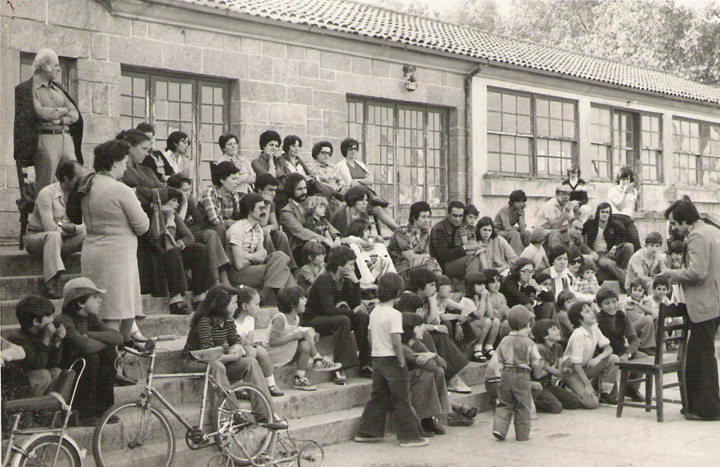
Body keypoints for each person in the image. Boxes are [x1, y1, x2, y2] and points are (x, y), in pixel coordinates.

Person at [67, 139, 149, 343]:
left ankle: (116, 356)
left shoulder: (87, 185)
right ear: (114, 163)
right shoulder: (121, 190)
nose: (126, 166)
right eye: (123, 162)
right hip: (118, 256)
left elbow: (74, 216)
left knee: (106, 307)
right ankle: (112, 361)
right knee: (116, 310)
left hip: (92, 251)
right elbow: (143, 226)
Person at [656, 199, 720, 421]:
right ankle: (702, 407)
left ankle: (707, 409)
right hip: (713, 301)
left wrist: (670, 274)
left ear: (686, 221)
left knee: (701, 357)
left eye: (674, 223)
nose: (673, 228)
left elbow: (697, 273)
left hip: (704, 304)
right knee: (702, 356)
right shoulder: (711, 231)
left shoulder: (696, 236)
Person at [119, 129, 193, 315]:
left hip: (156, 218)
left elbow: (169, 191)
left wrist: (147, 193)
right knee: (166, 244)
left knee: (179, 242)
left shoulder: (145, 170)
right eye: (144, 148)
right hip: (138, 222)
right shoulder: (122, 171)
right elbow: (132, 196)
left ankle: (185, 295)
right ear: (130, 148)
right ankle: (176, 297)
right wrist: (155, 196)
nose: (147, 153)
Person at [183, 285, 280, 425]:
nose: (236, 306)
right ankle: (230, 413)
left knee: (250, 363)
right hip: (194, 361)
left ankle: (266, 412)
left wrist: (237, 349)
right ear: (222, 304)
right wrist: (233, 356)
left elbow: (235, 342)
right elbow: (207, 354)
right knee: (216, 366)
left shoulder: (228, 320)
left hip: (219, 359)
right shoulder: (204, 321)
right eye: (234, 303)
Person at [354, 273, 428, 447]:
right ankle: (409, 437)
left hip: (377, 359)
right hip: (392, 360)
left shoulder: (375, 312)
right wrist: (401, 360)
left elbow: (370, 336)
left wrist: (376, 352)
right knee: (401, 398)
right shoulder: (395, 314)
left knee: (378, 396)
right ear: (398, 292)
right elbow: (396, 341)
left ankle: (367, 432)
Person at [14, 48, 83, 192]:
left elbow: (74, 113)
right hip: (45, 140)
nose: (59, 69)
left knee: (75, 181)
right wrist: (62, 111)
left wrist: (62, 120)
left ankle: (68, 214)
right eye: (56, 65)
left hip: (66, 139)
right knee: (47, 186)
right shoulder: (26, 89)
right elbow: (39, 112)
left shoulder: (58, 89)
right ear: (45, 66)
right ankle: (43, 214)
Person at [56, 277, 122, 425]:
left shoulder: (91, 319)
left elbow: (118, 337)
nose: (100, 301)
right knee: (91, 357)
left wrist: (90, 335)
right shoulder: (64, 320)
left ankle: (103, 409)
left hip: (88, 366)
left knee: (110, 354)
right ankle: (83, 412)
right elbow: (84, 347)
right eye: (95, 297)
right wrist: (100, 342)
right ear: (79, 302)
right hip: (69, 369)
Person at [303, 246, 371, 385]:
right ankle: (339, 367)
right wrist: (352, 312)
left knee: (363, 317)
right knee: (344, 319)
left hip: (330, 319)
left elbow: (355, 304)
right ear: (341, 266)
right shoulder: (324, 279)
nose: (353, 268)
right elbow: (329, 310)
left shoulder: (343, 280)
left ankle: (365, 363)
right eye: (351, 265)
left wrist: (356, 283)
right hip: (313, 320)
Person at [399, 268, 471, 393]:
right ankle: (446, 378)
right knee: (436, 334)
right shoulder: (408, 298)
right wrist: (435, 328)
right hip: (406, 338)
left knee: (442, 331)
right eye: (431, 285)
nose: (435, 288)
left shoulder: (426, 298)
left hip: (419, 333)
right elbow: (409, 325)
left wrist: (432, 300)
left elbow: (434, 320)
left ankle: (447, 377)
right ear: (420, 284)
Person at [24, 160, 87, 298]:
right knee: (53, 236)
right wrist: (69, 228)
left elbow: (85, 225)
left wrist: (69, 227)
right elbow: (49, 227)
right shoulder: (46, 193)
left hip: (63, 240)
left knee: (90, 234)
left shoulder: (80, 195)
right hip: (37, 239)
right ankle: (51, 283)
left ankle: (90, 279)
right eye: (79, 179)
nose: (83, 182)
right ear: (66, 178)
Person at [268, 285, 341, 392]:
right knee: (303, 333)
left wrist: (310, 333)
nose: (306, 300)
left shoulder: (296, 318)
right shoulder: (280, 318)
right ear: (292, 303)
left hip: (285, 350)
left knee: (305, 343)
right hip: (273, 353)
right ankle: (318, 359)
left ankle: (299, 378)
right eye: (302, 298)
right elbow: (272, 341)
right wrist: (294, 336)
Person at [226, 193, 295, 304]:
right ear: (249, 210)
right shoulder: (237, 229)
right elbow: (239, 264)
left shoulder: (258, 229)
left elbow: (261, 256)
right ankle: (292, 299)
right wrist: (254, 257)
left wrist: (248, 256)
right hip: (238, 274)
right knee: (284, 271)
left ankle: (266, 294)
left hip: (253, 268)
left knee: (280, 256)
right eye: (261, 208)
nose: (264, 212)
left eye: (265, 208)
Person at [167, 174, 231, 286]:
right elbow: (176, 225)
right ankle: (216, 280)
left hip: (187, 235)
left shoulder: (190, 201)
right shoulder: (170, 203)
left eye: (189, 190)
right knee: (211, 234)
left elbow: (201, 222)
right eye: (184, 190)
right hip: (173, 238)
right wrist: (184, 204)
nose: (188, 193)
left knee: (213, 232)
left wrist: (188, 229)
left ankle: (219, 278)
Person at [492, 305, 543, 442]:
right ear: (527, 325)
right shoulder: (529, 342)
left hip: (506, 374)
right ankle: (522, 434)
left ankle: (499, 429)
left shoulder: (504, 340)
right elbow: (536, 362)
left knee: (504, 403)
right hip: (522, 375)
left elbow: (498, 358)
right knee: (523, 404)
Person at [399, 313, 451, 436]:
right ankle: (421, 420)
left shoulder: (416, 344)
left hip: (414, 385)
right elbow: (431, 366)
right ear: (409, 329)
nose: (423, 329)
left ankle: (429, 418)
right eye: (419, 326)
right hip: (400, 388)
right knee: (425, 374)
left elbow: (443, 365)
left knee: (439, 372)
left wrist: (432, 355)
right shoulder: (402, 347)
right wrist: (430, 357)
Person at [561, 301, 619, 409]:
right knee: (592, 403)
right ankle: (566, 388)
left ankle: (605, 394)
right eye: (587, 312)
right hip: (571, 371)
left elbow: (608, 349)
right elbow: (575, 364)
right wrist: (587, 384)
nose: (592, 313)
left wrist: (598, 358)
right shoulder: (578, 334)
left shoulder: (594, 328)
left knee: (614, 358)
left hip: (585, 367)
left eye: (591, 310)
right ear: (579, 318)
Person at [335, 138, 399, 232]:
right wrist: (362, 181)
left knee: (384, 206)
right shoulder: (340, 166)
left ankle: (397, 230)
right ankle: (398, 230)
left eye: (355, 149)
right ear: (345, 150)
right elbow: (351, 184)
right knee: (378, 209)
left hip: (367, 195)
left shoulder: (360, 164)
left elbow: (370, 179)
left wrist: (359, 181)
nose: (353, 151)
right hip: (355, 198)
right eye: (350, 149)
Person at [7, 296, 65, 398]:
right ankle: (32, 407)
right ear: (36, 322)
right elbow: (38, 365)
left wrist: (57, 342)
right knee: (43, 375)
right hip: (20, 384)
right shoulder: (17, 339)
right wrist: (46, 339)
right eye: (49, 316)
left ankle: (49, 406)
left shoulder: (42, 333)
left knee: (57, 372)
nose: (52, 319)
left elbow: (53, 364)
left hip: (38, 376)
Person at [595, 287, 646, 403]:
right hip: (606, 355)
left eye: (614, 301)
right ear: (600, 306)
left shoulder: (621, 315)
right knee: (612, 398)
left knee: (642, 357)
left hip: (621, 351)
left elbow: (634, 339)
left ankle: (631, 388)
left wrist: (627, 354)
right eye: (607, 303)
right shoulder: (597, 319)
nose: (612, 305)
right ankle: (599, 386)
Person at [232, 286, 283, 397]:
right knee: (251, 352)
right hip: (234, 350)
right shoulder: (232, 321)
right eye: (256, 304)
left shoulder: (250, 320)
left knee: (261, 351)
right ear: (245, 306)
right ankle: (240, 385)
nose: (259, 308)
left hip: (245, 346)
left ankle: (271, 383)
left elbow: (251, 339)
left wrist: (246, 341)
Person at [279, 173, 336, 261]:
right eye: (299, 189)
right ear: (291, 190)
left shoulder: (310, 203)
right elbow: (300, 231)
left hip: (317, 242)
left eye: (305, 188)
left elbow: (324, 221)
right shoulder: (286, 211)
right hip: (300, 247)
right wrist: (323, 239)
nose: (304, 192)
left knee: (344, 247)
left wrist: (336, 236)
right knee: (326, 249)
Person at [531, 319, 583, 413]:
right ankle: (528, 402)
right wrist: (552, 368)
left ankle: (550, 399)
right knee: (556, 408)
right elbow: (538, 375)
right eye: (554, 329)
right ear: (545, 335)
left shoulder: (557, 347)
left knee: (575, 402)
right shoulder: (539, 348)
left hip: (549, 384)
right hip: (537, 386)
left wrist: (548, 368)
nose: (558, 331)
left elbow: (559, 373)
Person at [582, 202, 634, 286]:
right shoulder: (590, 224)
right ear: (598, 213)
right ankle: (628, 283)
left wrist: (615, 246)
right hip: (599, 256)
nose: (604, 214)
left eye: (607, 212)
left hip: (612, 253)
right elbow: (579, 231)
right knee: (607, 263)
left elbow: (626, 236)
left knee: (629, 246)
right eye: (602, 212)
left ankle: (623, 270)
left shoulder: (613, 224)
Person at [387, 201, 442, 279]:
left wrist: (426, 257)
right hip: (399, 268)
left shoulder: (425, 233)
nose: (427, 220)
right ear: (414, 217)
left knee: (432, 263)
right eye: (423, 217)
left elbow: (427, 254)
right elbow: (410, 257)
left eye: (428, 217)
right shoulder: (403, 232)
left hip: (419, 264)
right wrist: (426, 257)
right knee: (429, 264)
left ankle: (438, 286)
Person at [254, 173, 297, 269]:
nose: (273, 193)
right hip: (251, 234)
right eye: (270, 190)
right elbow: (261, 223)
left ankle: (290, 267)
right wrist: (267, 205)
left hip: (264, 230)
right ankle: (276, 266)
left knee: (280, 235)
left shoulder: (271, 202)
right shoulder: (254, 201)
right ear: (260, 189)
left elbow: (275, 225)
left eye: (275, 190)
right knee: (266, 235)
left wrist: (269, 227)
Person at [429, 201, 481, 278]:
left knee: (479, 254)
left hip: (455, 260)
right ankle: (472, 285)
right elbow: (444, 255)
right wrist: (465, 248)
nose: (458, 219)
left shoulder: (461, 226)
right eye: (455, 216)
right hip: (441, 265)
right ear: (448, 214)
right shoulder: (439, 229)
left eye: (461, 216)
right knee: (473, 259)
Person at [200, 160, 243, 247]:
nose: (237, 182)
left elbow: (238, 216)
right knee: (220, 228)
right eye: (234, 179)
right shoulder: (210, 192)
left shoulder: (234, 194)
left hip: (221, 227)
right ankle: (226, 260)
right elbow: (214, 220)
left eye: (238, 179)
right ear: (222, 180)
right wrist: (230, 223)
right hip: (202, 227)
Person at [458, 272, 499, 362]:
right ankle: (477, 348)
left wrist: (487, 298)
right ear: (471, 285)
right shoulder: (466, 300)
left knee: (495, 321)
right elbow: (479, 316)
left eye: (484, 284)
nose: (483, 287)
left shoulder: (479, 297)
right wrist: (483, 299)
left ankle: (488, 346)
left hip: (479, 327)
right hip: (468, 329)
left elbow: (490, 314)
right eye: (479, 284)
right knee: (486, 321)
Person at [345, 219, 396, 289]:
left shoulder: (368, 241)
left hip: (370, 268)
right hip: (359, 270)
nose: (368, 232)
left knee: (380, 248)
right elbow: (349, 239)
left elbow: (375, 244)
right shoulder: (352, 239)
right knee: (354, 246)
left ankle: (393, 280)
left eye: (369, 230)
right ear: (358, 230)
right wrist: (359, 242)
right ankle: (367, 284)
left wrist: (377, 239)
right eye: (366, 230)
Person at [607, 166, 641, 251]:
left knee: (635, 238)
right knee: (622, 234)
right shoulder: (613, 190)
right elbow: (619, 206)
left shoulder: (633, 191)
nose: (625, 182)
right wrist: (625, 192)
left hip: (628, 219)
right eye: (622, 179)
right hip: (616, 217)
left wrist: (631, 219)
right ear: (618, 179)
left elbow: (631, 207)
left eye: (627, 179)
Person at [307, 140, 346, 213]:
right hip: (324, 196)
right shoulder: (310, 168)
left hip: (338, 194)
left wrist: (342, 187)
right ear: (316, 153)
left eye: (328, 153)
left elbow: (340, 180)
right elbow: (317, 185)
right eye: (323, 153)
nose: (326, 155)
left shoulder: (332, 166)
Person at [623, 279, 657, 353]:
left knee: (655, 319)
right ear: (631, 291)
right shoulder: (628, 301)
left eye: (640, 290)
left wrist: (639, 304)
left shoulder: (643, 300)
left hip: (640, 324)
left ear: (643, 292)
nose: (637, 293)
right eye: (635, 290)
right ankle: (644, 347)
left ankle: (655, 345)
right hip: (630, 327)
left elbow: (651, 312)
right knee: (648, 319)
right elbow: (633, 319)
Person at [494, 190, 531, 254]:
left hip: (509, 231)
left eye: (522, 202)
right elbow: (507, 227)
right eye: (518, 202)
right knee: (514, 233)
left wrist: (520, 214)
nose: (521, 204)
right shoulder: (505, 210)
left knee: (527, 234)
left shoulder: (520, 210)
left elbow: (522, 229)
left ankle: (527, 255)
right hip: (498, 231)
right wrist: (517, 229)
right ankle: (516, 256)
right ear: (512, 202)